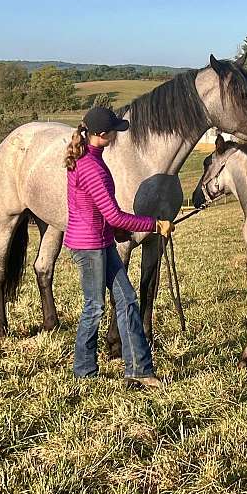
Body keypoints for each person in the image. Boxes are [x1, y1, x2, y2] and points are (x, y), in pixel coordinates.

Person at [63, 105, 174, 388]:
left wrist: (118, 231)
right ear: (102, 134)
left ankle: (139, 369)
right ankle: (84, 371)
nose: (117, 134)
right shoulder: (91, 167)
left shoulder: (91, 158)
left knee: (126, 300)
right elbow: (111, 213)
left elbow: (96, 211)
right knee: (95, 308)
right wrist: (154, 224)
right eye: (114, 130)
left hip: (101, 241)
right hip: (90, 247)